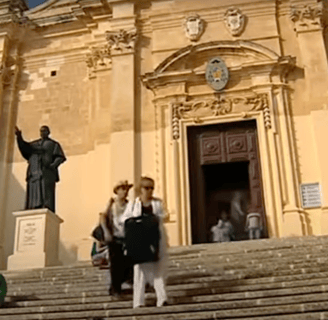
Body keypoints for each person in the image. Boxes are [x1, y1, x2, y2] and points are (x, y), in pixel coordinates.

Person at [120, 176, 168, 308]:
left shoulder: (157, 203)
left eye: (151, 188)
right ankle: (138, 302)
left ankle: (162, 298)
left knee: (158, 270)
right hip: (139, 242)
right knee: (139, 272)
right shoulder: (133, 204)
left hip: (155, 240)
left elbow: (164, 215)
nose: (149, 190)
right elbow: (124, 219)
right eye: (146, 187)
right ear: (140, 189)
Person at [14, 125, 66, 213]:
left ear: (48, 132)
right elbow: (25, 148)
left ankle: (46, 205)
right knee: (34, 191)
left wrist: (52, 165)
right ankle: (32, 206)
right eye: (41, 131)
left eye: (45, 131)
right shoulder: (34, 144)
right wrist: (19, 137)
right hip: (34, 172)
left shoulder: (53, 144)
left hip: (47, 173)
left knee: (46, 192)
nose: (43, 133)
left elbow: (60, 157)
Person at [101, 180, 133, 297]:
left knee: (126, 262)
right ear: (117, 191)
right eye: (123, 189)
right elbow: (103, 218)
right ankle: (115, 288)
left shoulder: (130, 205)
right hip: (114, 238)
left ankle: (123, 284)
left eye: (126, 189)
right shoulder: (111, 205)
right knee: (115, 264)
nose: (125, 192)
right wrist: (106, 232)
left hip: (126, 238)